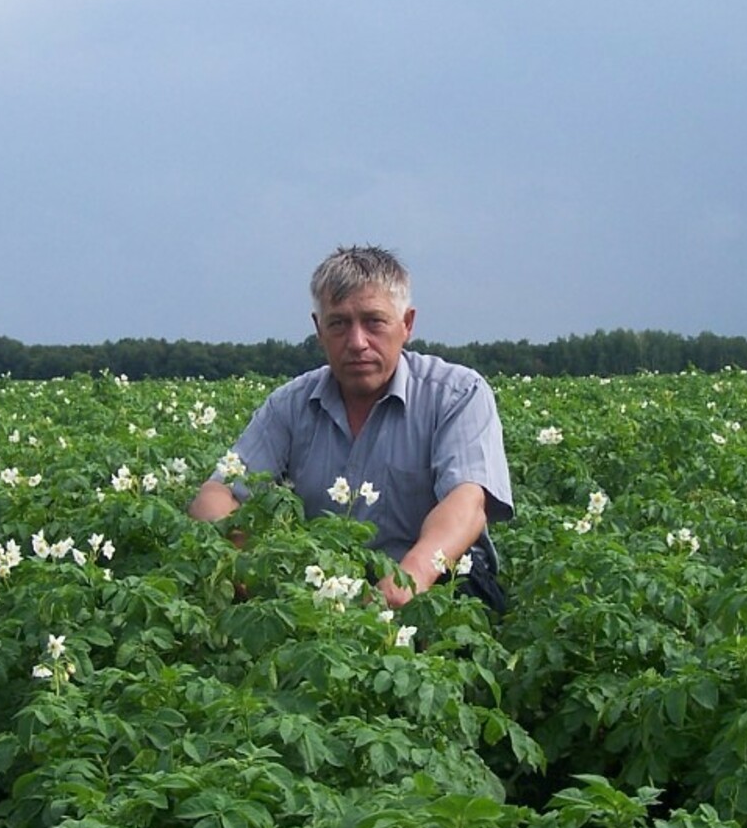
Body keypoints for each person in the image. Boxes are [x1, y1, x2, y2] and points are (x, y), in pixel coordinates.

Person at [188, 245, 513, 611]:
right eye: (339, 323)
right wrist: (253, 569)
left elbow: (467, 501)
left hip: (435, 584)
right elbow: (213, 496)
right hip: (321, 589)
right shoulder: (289, 405)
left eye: (374, 321)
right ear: (318, 329)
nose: (357, 343)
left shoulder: (456, 394)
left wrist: (407, 581)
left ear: (407, 324)